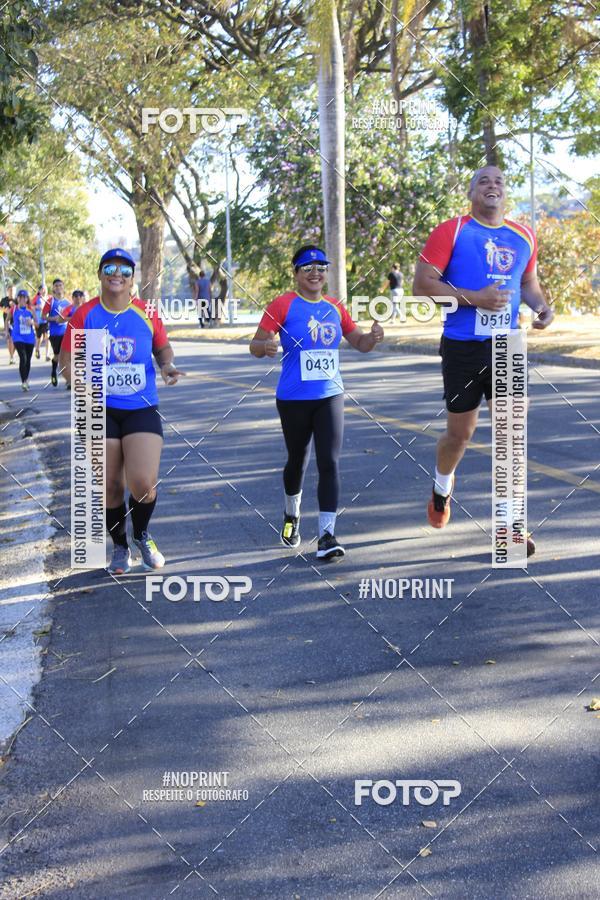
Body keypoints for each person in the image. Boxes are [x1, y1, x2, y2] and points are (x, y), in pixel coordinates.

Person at [413, 165, 554, 557]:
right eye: (483, 181)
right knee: (460, 436)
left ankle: (512, 528)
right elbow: (423, 285)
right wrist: (475, 297)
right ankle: (442, 487)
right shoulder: (452, 231)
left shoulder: (523, 235)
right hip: (463, 346)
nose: (492, 185)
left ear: (504, 194)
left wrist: (541, 307)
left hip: (507, 345)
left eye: (499, 181)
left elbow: (527, 283)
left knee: (510, 433)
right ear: (472, 192)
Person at [250, 244, 384, 559]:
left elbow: (359, 343)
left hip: (329, 396)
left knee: (329, 462)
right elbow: (255, 345)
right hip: (293, 398)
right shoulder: (282, 304)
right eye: (307, 268)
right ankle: (291, 515)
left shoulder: (335, 307)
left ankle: (327, 535)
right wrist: (265, 348)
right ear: (296, 273)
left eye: (321, 267)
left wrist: (373, 338)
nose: (315, 273)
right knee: (297, 461)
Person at [60, 248, 185, 574]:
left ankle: (142, 534)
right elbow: (67, 362)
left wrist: (168, 365)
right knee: (111, 486)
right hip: (98, 410)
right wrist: (80, 383)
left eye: (125, 270)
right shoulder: (85, 315)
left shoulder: (146, 312)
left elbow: (162, 348)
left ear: (133, 278)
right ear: (100, 273)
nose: (117, 274)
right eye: (110, 267)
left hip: (140, 406)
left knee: (144, 482)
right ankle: (120, 547)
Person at [43, 278, 71, 386]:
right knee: (58, 356)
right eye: (56, 286)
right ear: (53, 288)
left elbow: (71, 316)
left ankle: (68, 380)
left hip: (66, 333)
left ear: (63, 287)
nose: (58, 287)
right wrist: (54, 318)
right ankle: (54, 372)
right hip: (55, 334)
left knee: (68, 357)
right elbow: (43, 316)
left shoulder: (67, 302)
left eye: (60, 285)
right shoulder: (50, 302)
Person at [8, 289, 37, 390]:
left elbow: (37, 324)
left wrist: (32, 322)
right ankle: (24, 382)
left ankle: (26, 379)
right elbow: (7, 319)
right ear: (17, 298)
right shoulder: (14, 309)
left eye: (24, 297)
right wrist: (7, 332)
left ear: (27, 298)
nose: (22, 299)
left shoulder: (31, 310)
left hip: (29, 337)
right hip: (17, 337)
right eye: (20, 297)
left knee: (28, 360)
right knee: (23, 357)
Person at [33, 284, 50, 360]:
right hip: (39, 321)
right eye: (42, 289)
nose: (44, 290)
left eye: (45, 289)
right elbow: (30, 307)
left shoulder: (49, 298)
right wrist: (37, 307)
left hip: (46, 320)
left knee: (47, 337)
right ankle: (37, 350)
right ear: (39, 290)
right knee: (39, 338)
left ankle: (47, 355)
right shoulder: (36, 298)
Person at [2, 287, 16, 365]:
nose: (12, 292)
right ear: (8, 291)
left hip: (15, 322)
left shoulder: (17, 300)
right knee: (9, 339)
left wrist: (13, 307)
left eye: (13, 291)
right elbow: (0, 307)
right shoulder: (4, 300)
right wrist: (4, 310)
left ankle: (12, 355)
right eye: (10, 290)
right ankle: (11, 357)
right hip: (7, 322)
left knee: (13, 340)